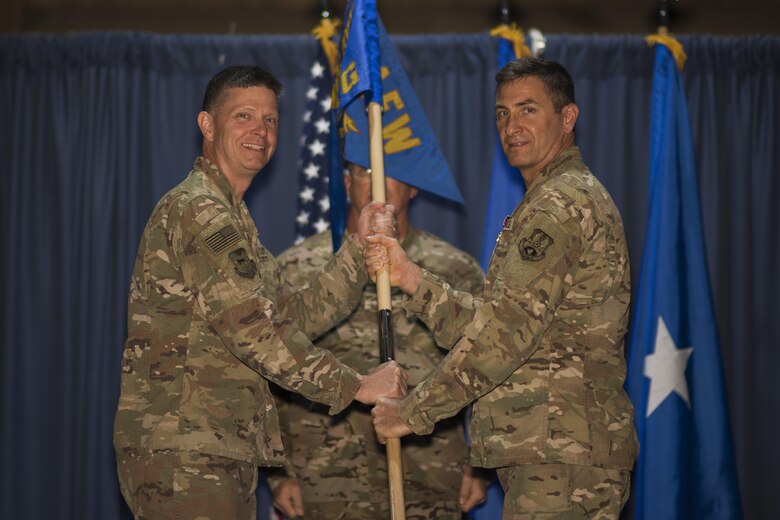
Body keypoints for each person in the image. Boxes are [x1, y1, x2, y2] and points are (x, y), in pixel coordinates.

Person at [113, 65, 406, 520]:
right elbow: (253, 331)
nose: (260, 131)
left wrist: (357, 247)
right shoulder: (199, 210)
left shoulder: (232, 218)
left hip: (214, 445)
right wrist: (357, 385)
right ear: (207, 125)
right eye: (243, 116)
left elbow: (292, 317)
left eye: (270, 119)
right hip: (187, 449)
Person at [368, 58, 638, 519]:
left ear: (567, 118)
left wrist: (412, 413)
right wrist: (411, 278)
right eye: (503, 113)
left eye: (528, 109)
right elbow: (498, 323)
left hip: (561, 455)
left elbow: (503, 335)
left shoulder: (560, 204)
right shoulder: (550, 199)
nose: (512, 126)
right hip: (553, 449)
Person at [268, 162, 489, 519]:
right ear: (346, 183)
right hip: (326, 476)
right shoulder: (297, 267)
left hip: (431, 471)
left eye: (391, 171)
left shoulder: (455, 269)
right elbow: (272, 366)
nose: (377, 183)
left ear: (413, 187)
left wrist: (480, 466)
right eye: (364, 171)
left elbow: (485, 361)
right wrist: (280, 472)